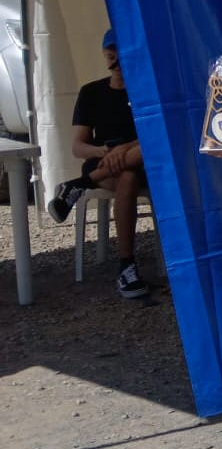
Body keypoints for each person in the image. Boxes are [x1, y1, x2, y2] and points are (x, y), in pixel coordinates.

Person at [48, 30, 150, 299]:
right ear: (105, 55)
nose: (116, 59)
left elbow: (152, 137)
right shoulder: (91, 92)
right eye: (111, 52)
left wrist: (123, 149)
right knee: (126, 177)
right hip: (101, 163)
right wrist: (104, 151)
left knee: (145, 151)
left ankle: (77, 186)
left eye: (120, 52)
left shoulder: (144, 92)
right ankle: (126, 265)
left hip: (139, 159)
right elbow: (78, 145)